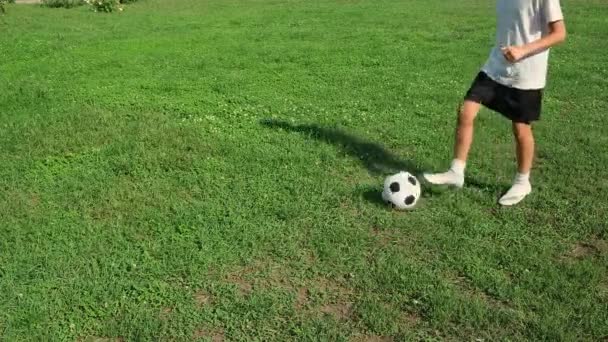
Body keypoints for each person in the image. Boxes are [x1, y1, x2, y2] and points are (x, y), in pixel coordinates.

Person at [423, 0, 567, 206]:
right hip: (496, 65)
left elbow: (559, 33)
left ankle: (522, 181)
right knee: (466, 111)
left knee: (521, 129)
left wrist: (523, 50)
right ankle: (456, 171)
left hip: (526, 72)